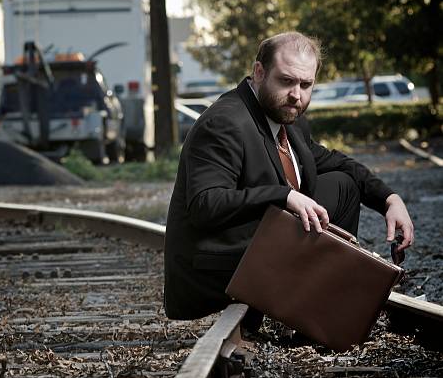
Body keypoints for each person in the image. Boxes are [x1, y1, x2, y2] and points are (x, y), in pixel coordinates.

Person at [163, 31, 414, 321]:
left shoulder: (286, 117)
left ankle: (319, 309)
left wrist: (389, 199)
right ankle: (320, 312)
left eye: (305, 84)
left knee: (343, 187)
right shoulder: (224, 122)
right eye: (286, 81)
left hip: (260, 247)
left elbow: (334, 161)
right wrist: (283, 195)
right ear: (259, 72)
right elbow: (205, 205)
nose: (296, 94)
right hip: (218, 266)